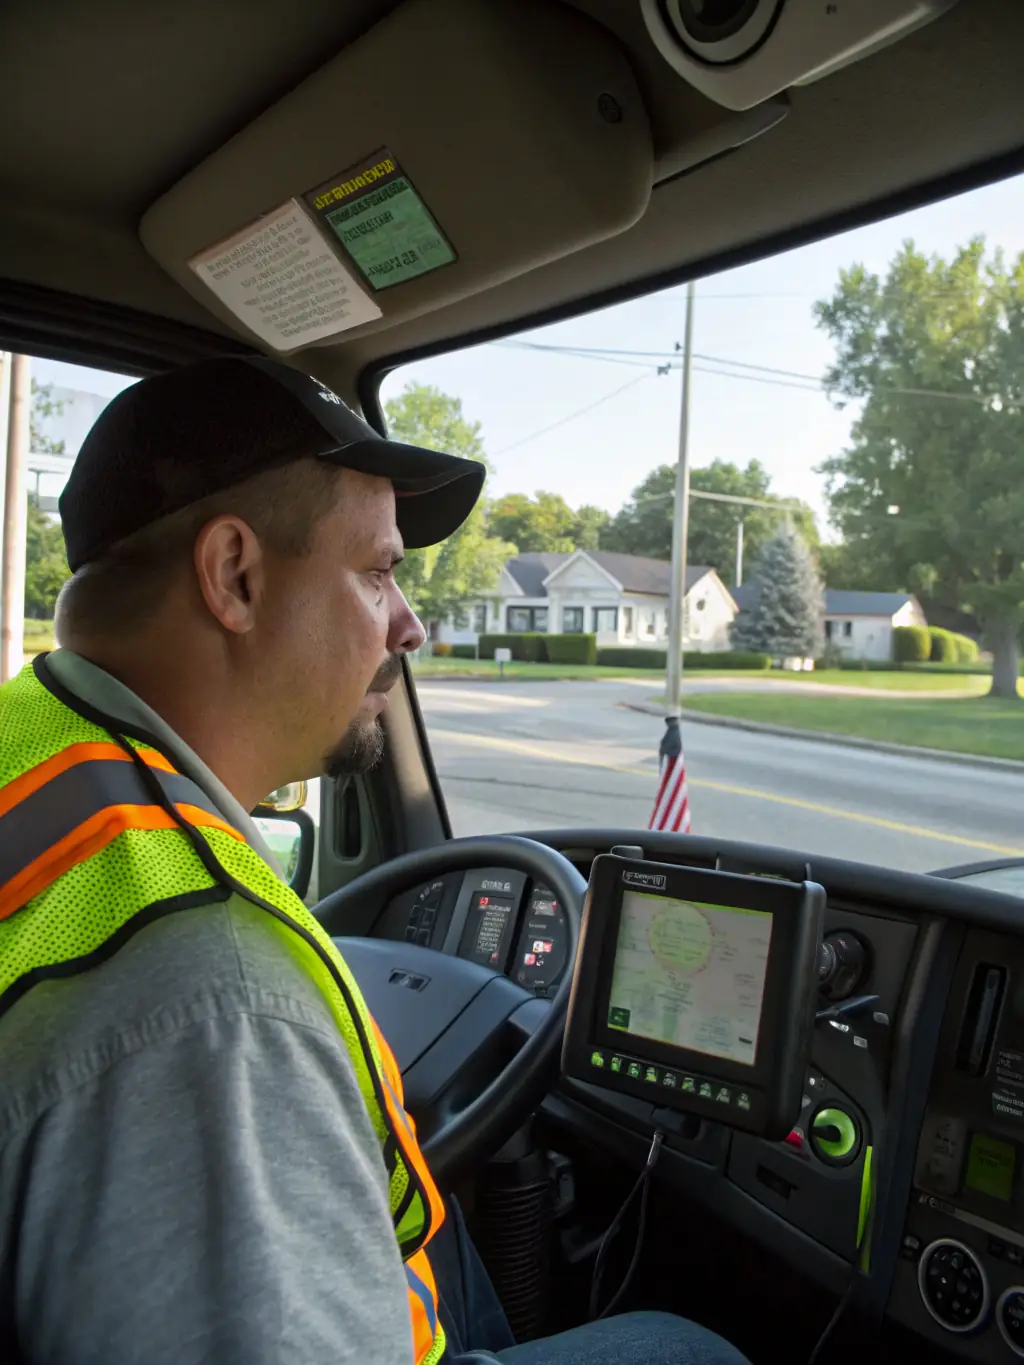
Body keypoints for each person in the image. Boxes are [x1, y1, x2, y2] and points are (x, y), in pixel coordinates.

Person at [0, 356, 750, 1365]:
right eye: (379, 573)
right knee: (683, 1348)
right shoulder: (218, 996)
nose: (410, 625)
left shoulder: (34, 736)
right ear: (236, 576)